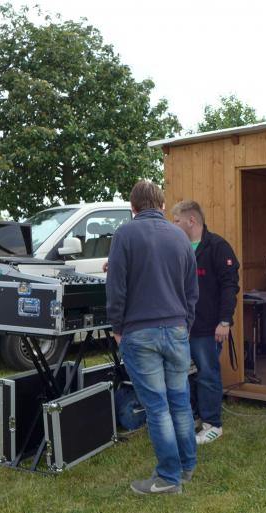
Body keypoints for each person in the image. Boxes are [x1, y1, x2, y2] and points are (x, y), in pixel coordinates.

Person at [106, 180, 199, 495]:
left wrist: (116, 328)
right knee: (180, 402)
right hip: (177, 329)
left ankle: (169, 478)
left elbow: (116, 287)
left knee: (157, 407)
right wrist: (186, 323)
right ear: (162, 205)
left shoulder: (124, 234)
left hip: (139, 331)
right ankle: (186, 467)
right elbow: (192, 290)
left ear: (133, 207)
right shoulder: (181, 236)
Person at [171, 200, 240, 445]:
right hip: (182, 327)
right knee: (183, 374)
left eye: (176, 220)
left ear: (191, 220)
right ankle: (190, 418)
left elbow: (230, 287)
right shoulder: (178, 248)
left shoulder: (218, 247)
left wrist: (225, 321)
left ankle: (213, 424)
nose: (173, 225)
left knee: (208, 373)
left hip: (209, 327)